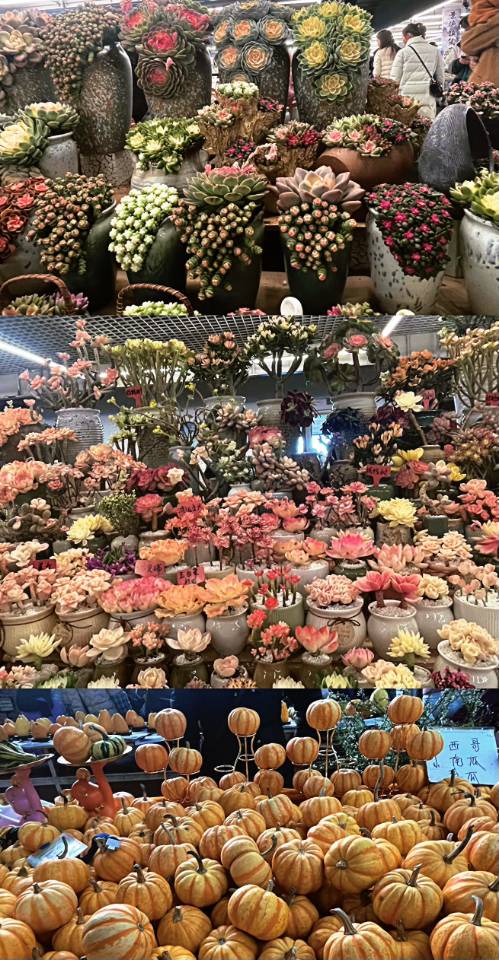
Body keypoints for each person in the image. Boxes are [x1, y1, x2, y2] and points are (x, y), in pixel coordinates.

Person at [391, 22, 445, 119]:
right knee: (427, 124)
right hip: (428, 98)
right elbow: (440, 77)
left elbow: (395, 80)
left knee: (408, 126)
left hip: (407, 100)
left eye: (403, 37)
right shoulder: (435, 51)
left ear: (408, 35)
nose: (403, 40)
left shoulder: (402, 53)